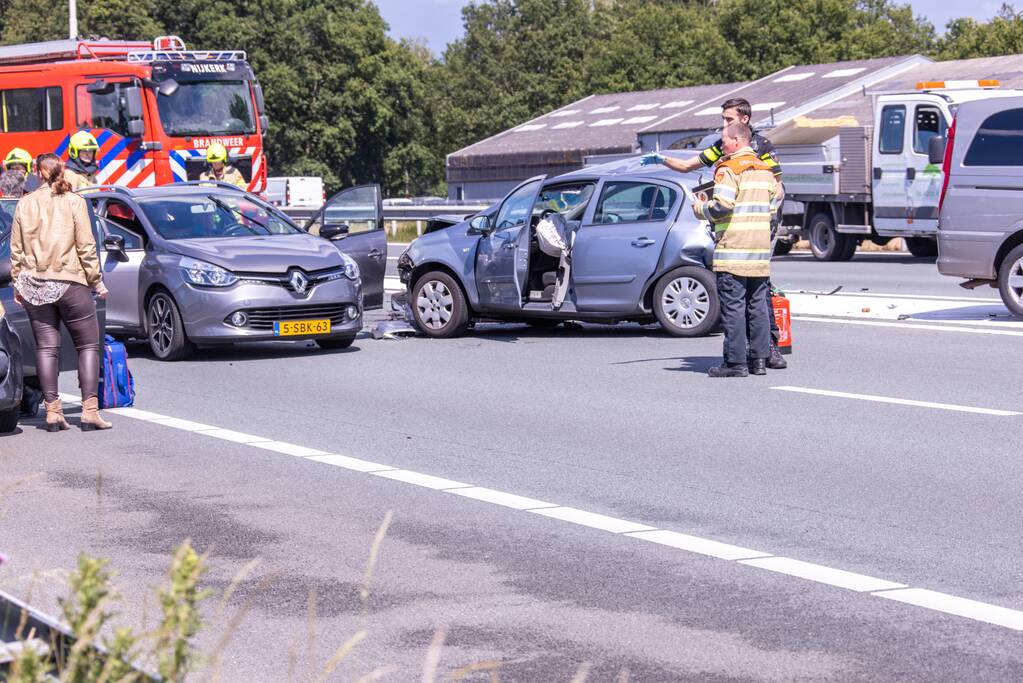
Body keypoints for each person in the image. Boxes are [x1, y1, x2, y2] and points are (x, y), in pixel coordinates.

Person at [641, 96, 788, 369]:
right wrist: (663, 159)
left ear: (744, 120)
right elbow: (689, 166)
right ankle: (756, 357)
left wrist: (750, 208)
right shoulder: (723, 147)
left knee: (752, 299)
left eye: (728, 120)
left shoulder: (762, 147)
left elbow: (776, 188)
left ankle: (766, 350)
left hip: (751, 232)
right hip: (748, 230)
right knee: (754, 297)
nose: (723, 125)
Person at [9, 154, 112, 431]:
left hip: (34, 284)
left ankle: (53, 412)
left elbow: (16, 250)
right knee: (88, 345)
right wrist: (96, 281)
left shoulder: (25, 203)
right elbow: (86, 247)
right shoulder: (74, 201)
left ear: (37, 172)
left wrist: (18, 282)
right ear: (61, 170)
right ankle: (89, 411)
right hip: (70, 281)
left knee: (46, 348)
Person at [691, 123, 780, 378]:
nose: (722, 146)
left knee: (734, 309)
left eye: (724, 141)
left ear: (738, 141)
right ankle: (759, 361)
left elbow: (722, 207)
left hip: (733, 251)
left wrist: (699, 208)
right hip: (759, 253)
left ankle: (735, 363)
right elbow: (772, 212)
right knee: (758, 308)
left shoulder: (728, 169)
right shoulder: (765, 170)